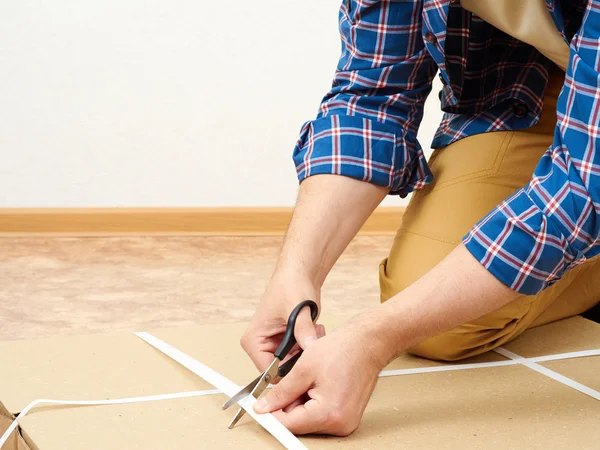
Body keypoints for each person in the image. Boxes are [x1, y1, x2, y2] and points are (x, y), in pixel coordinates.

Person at [241, 0, 600, 436]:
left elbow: (584, 184)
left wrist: (374, 338)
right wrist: (297, 272)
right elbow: (372, 98)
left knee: (424, 313)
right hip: (541, 87)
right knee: (442, 322)